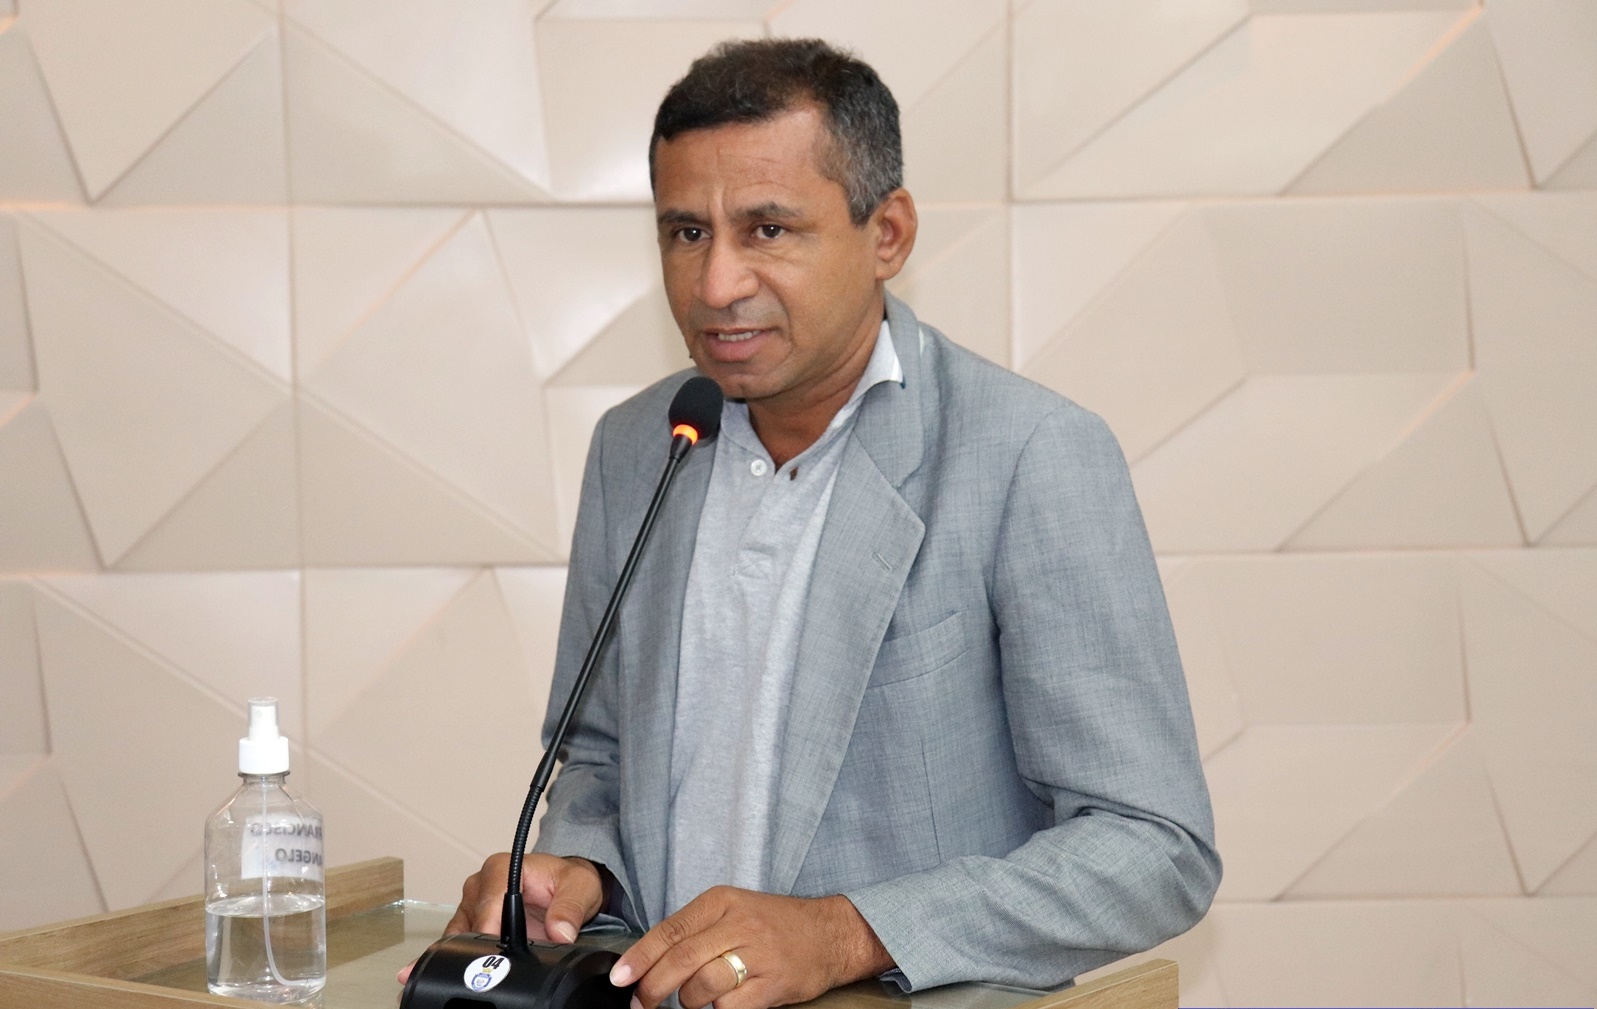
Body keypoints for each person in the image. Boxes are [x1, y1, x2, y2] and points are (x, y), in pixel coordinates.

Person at [420, 37, 1220, 1009]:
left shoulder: (1027, 453)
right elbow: (596, 756)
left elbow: (1152, 848)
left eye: (767, 229)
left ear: (888, 234)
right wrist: (581, 869)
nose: (715, 284)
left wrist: (847, 931)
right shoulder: (640, 444)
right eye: (685, 232)